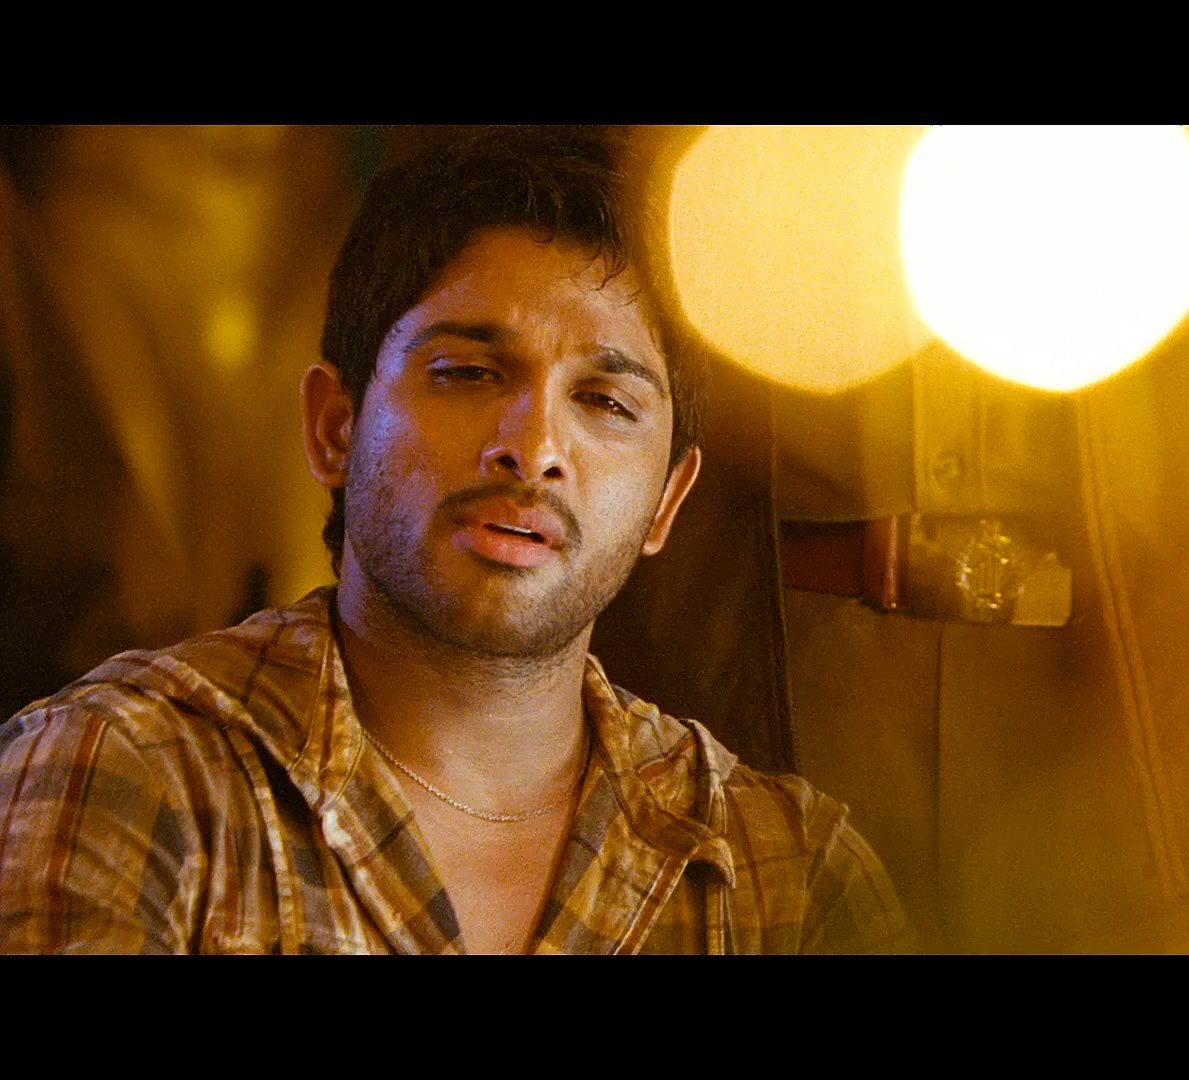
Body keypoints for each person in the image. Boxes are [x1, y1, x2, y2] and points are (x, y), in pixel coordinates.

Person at [0, 127, 910, 954]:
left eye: (603, 401)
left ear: (668, 501)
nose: (535, 447)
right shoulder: (126, 775)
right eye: (468, 372)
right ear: (334, 428)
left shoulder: (780, 872)